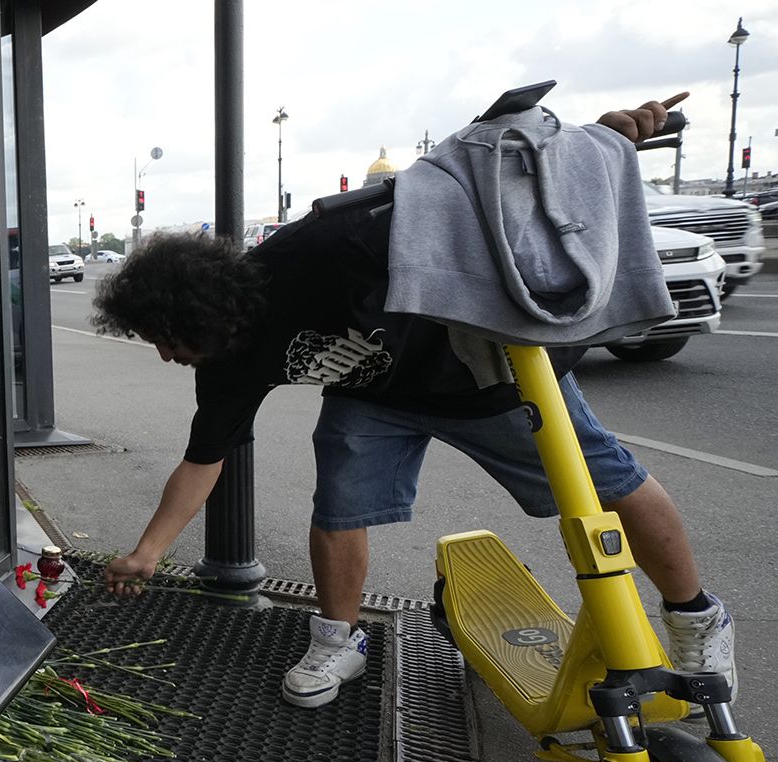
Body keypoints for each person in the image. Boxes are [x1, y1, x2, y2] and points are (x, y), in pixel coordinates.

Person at [93, 93, 735, 708]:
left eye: (163, 338)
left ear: (200, 312)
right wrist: (147, 554)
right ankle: (336, 642)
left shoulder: (329, 246)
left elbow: (482, 189)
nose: (164, 356)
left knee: (610, 482)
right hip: (377, 396)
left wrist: (601, 137)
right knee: (340, 506)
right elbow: (204, 460)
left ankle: (695, 619)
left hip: (491, 375)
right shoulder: (227, 364)